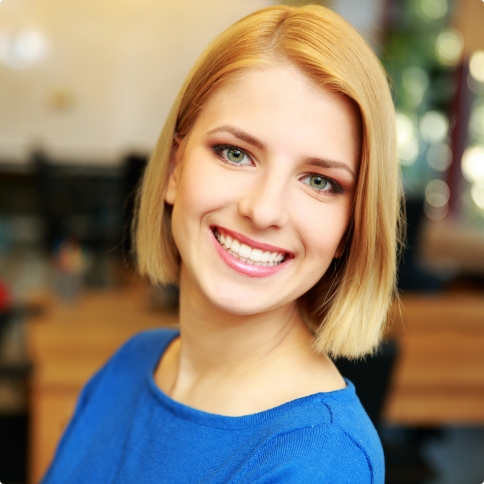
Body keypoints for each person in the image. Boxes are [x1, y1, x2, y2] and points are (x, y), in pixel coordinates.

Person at [41, 4, 402, 483]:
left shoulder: (321, 461)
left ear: (349, 229)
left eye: (318, 181)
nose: (265, 210)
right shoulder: (130, 364)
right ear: (174, 169)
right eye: (236, 153)